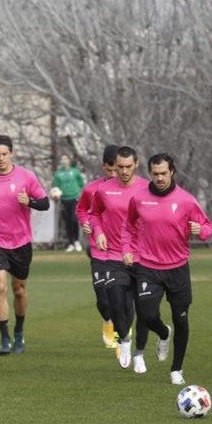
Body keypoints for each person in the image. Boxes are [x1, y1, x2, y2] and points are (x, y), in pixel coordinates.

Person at [122, 153, 212, 384]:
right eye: (155, 174)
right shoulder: (139, 198)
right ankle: (163, 333)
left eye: (164, 173)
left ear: (172, 172)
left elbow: (207, 227)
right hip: (148, 267)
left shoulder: (186, 200)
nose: (160, 178)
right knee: (148, 314)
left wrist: (199, 231)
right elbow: (129, 226)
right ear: (150, 174)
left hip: (178, 269)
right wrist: (127, 249)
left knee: (181, 319)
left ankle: (176, 370)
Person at [0, 135, 49, 355]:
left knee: (19, 290)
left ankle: (19, 331)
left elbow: (44, 203)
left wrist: (30, 202)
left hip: (21, 243)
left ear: (12, 154)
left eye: (4, 154)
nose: (1, 158)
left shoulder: (26, 176)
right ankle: (4, 337)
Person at [90, 146, 149, 369]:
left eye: (128, 167)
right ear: (114, 165)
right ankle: (124, 340)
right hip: (114, 253)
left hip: (142, 256)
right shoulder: (104, 190)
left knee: (141, 308)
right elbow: (94, 214)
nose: (123, 171)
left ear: (136, 165)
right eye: (119, 167)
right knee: (114, 300)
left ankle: (139, 353)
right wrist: (99, 232)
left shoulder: (147, 188)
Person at [77, 144, 119, 349]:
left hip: (123, 252)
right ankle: (107, 321)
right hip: (99, 250)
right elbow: (82, 210)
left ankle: (123, 335)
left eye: (117, 169)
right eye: (109, 169)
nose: (113, 174)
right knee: (103, 299)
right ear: (103, 167)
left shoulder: (133, 189)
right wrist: (84, 222)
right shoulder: (92, 189)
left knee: (120, 296)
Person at [51, 154, 86, 252]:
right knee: (67, 222)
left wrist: (80, 193)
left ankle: (77, 241)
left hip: (74, 198)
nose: (64, 160)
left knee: (74, 219)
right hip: (64, 199)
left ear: (69, 160)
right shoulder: (58, 173)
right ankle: (70, 243)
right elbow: (55, 187)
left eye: (65, 158)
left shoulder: (75, 171)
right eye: (62, 159)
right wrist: (55, 194)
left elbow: (81, 184)